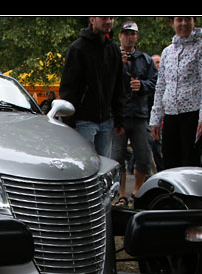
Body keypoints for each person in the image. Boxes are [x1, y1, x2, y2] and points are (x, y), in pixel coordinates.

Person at [149, 17, 202, 169]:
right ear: (172, 23)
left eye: (188, 19)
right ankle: (171, 193)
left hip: (193, 114)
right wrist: (155, 118)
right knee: (169, 162)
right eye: (179, 20)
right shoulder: (167, 52)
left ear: (194, 21)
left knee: (190, 163)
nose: (183, 24)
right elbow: (161, 85)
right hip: (171, 115)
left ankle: (190, 193)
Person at [59, 16, 126, 158]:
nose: (108, 21)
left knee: (104, 165)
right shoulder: (78, 49)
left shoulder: (113, 50)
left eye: (111, 17)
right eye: (103, 17)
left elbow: (118, 86)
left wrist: (119, 118)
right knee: (84, 163)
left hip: (106, 120)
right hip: (83, 120)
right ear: (92, 19)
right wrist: (69, 121)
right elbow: (68, 87)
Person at [110, 21, 157, 205]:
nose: (129, 37)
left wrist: (142, 85)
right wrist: (118, 66)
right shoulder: (113, 57)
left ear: (137, 37)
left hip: (139, 115)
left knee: (144, 156)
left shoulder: (145, 59)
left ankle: (137, 191)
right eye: (126, 33)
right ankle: (121, 195)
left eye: (132, 34)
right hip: (118, 115)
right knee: (117, 157)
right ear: (120, 36)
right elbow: (105, 82)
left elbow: (156, 82)